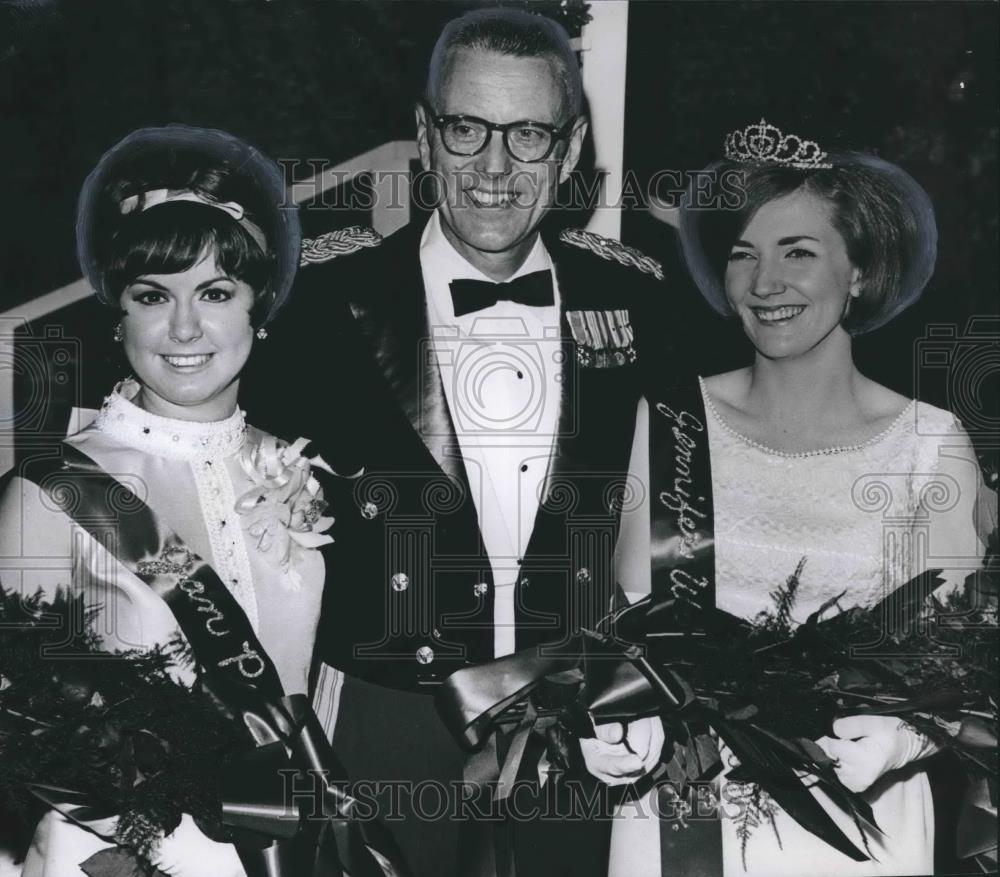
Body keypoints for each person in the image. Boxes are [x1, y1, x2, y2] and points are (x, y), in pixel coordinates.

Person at [245, 8, 671, 876]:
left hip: (583, 720)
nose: (495, 167)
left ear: (572, 145)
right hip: (382, 720)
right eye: (468, 128)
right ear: (424, 135)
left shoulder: (643, 304)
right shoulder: (319, 307)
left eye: (528, 135)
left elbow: (675, 525)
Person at [609, 120, 991, 876]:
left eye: (799, 253)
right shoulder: (672, 424)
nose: (764, 283)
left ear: (858, 272)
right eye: (743, 255)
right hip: (685, 807)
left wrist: (905, 737)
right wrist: (616, 718)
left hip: (862, 815)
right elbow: (623, 624)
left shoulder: (928, 442)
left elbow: (969, 657)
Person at [0, 126, 341, 877]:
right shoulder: (56, 490)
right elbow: (15, 725)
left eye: (216, 292)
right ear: (117, 311)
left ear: (261, 305)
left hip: (282, 853)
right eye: (153, 295)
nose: (184, 328)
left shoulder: (299, 473)